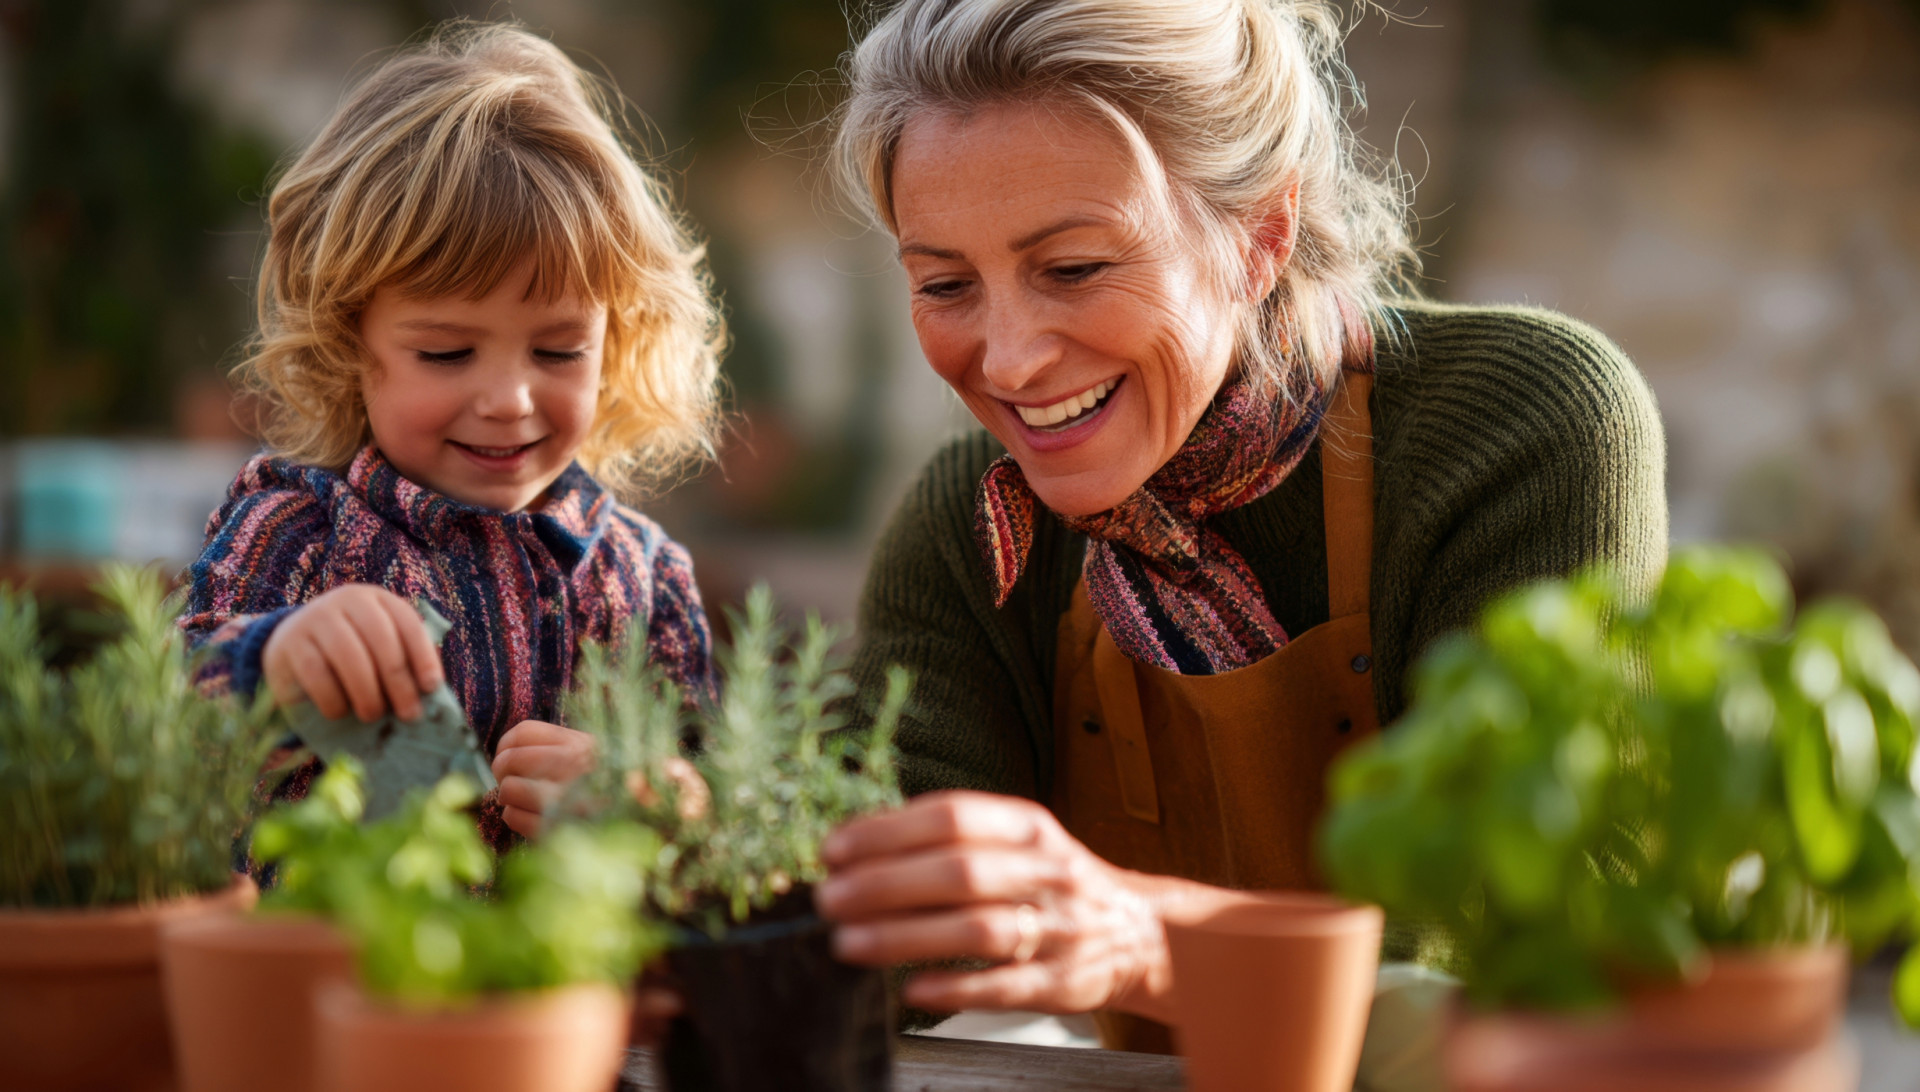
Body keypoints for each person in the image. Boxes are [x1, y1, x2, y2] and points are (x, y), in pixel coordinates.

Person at [814, 0, 1668, 1052]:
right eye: (945, 284)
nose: (1008, 360)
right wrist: (700, 838)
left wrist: (1154, 943)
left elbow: (1532, 920)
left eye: (1075, 267)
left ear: (1260, 236)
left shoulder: (1522, 426)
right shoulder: (972, 527)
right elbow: (893, 943)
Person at [181, 22, 722, 853]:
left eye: (558, 350)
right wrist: (275, 662)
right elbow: (168, 725)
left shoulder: (640, 581)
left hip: (564, 979)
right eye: (446, 352)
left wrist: (658, 804)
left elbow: (724, 814)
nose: (507, 399)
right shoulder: (298, 532)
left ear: (617, 340)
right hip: (322, 974)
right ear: (348, 343)